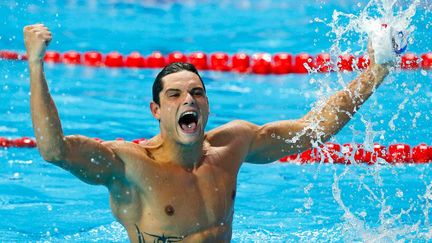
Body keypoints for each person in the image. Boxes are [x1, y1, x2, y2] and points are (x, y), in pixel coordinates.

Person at [24, 23, 389, 242]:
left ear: (208, 106)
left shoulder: (233, 146)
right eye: (176, 94)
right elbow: (54, 150)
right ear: (156, 111)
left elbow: (313, 130)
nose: (189, 100)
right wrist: (36, 65)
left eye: (197, 93)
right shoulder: (128, 165)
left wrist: (376, 72)